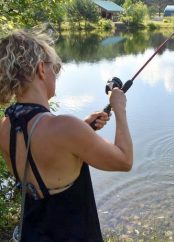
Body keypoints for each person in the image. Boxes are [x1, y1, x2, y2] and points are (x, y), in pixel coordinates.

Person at [0, 29, 133, 241]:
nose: (56, 74)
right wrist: (119, 109)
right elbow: (124, 160)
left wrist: (82, 128)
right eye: (56, 67)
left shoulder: (5, 128)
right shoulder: (66, 128)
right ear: (41, 69)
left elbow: (38, 152)